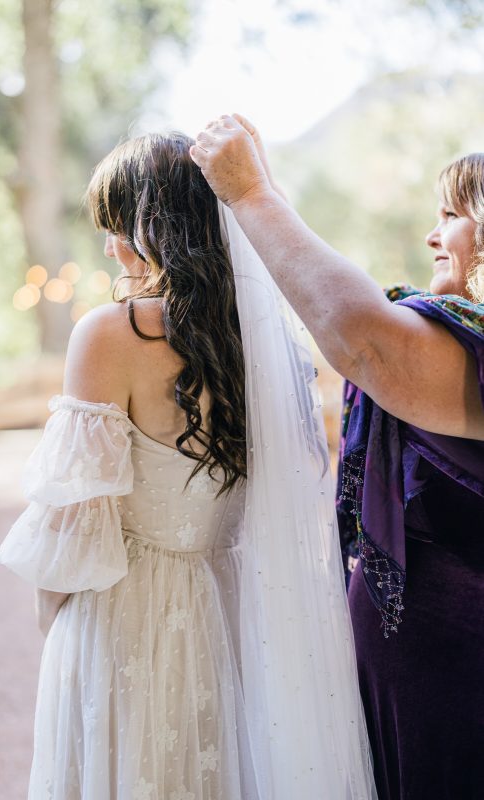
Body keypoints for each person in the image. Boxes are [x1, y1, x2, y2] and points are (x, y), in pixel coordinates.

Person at [0, 132, 377, 799]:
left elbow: (71, 531)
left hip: (125, 621)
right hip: (229, 621)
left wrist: (54, 629)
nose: (111, 247)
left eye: (117, 227)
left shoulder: (113, 334)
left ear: (154, 229)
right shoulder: (265, 349)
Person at [190, 116, 484, 800]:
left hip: (459, 699)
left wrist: (253, 195)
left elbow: (366, 344)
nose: (433, 236)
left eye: (452, 214)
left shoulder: (466, 354)